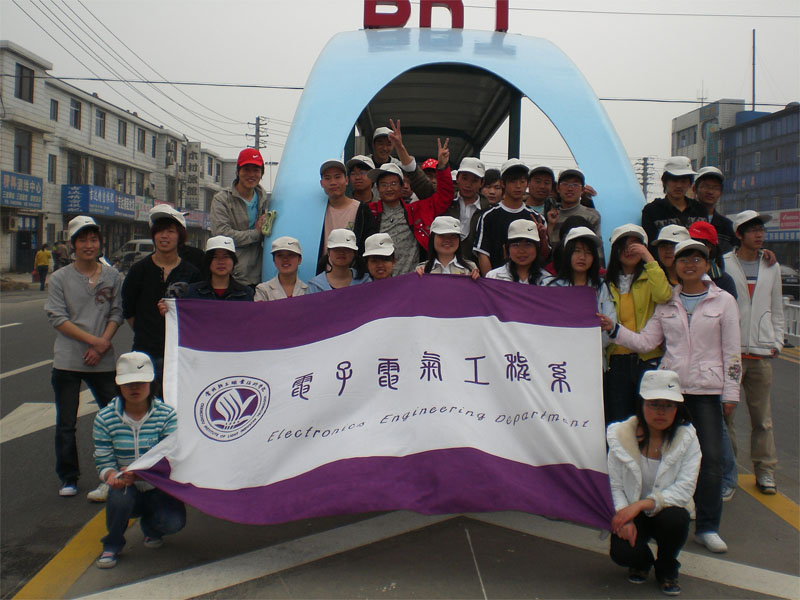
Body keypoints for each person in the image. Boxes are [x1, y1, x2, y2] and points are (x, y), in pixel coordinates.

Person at [600, 238, 742, 555]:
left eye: (697, 259)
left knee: (711, 459)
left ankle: (707, 526)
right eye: (683, 259)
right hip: (671, 392)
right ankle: (659, 516)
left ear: (707, 264)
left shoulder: (724, 301)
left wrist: (731, 393)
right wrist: (614, 329)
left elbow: (732, 351)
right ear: (674, 265)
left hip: (707, 391)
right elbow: (646, 342)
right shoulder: (667, 302)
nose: (690, 265)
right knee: (663, 455)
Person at [45, 216, 123, 501]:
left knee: (115, 418)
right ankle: (69, 477)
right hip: (67, 361)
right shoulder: (60, 278)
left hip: (102, 362)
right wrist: (95, 342)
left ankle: (116, 471)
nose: (89, 245)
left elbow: (117, 312)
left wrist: (102, 346)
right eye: (82, 240)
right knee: (66, 423)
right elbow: (57, 317)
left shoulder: (113, 277)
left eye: (93, 239)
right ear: (72, 244)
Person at [607, 370, 700, 597]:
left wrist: (641, 505)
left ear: (677, 408)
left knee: (676, 519)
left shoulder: (687, 438)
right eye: (654, 404)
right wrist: (625, 515)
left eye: (668, 405)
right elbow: (615, 485)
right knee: (621, 553)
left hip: (666, 509)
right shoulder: (621, 435)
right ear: (642, 404)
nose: (661, 412)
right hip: (632, 510)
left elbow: (685, 489)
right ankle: (642, 562)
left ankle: (667, 568)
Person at [93, 352, 186, 569]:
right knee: (120, 498)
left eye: (141, 383)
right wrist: (111, 476)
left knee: (175, 523)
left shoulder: (167, 415)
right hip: (125, 485)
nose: (134, 388)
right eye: (128, 383)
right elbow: (103, 458)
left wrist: (143, 474)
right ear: (119, 385)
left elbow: (171, 456)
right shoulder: (105, 418)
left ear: (151, 383)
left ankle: (152, 528)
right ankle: (112, 543)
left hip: (158, 485)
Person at [723, 210, 784, 496]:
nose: (759, 234)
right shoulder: (724, 263)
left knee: (762, 419)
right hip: (732, 355)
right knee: (727, 418)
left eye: (761, 229)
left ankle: (765, 471)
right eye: (753, 230)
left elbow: (777, 308)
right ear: (739, 234)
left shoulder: (771, 266)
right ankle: (729, 473)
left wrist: (777, 341)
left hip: (760, 354)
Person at [122, 205, 201, 397]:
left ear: (180, 236)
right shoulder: (139, 270)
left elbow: (197, 313)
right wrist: (147, 331)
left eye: (170, 231)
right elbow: (129, 311)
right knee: (145, 405)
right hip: (145, 353)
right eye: (159, 231)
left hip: (180, 354)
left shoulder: (192, 273)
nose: (164, 236)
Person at [603, 225, 672, 425]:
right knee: (619, 423)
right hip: (617, 361)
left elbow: (663, 295)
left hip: (647, 361)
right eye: (623, 245)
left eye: (635, 245)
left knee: (648, 422)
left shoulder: (651, 277)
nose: (629, 250)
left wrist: (648, 258)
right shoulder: (606, 283)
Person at [367, 137, 453, 275]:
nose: (389, 188)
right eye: (384, 184)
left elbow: (444, 197)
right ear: (377, 188)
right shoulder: (367, 211)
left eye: (393, 183)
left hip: (411, 280)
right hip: (379, 281)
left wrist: (442, 167)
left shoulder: (416, 210)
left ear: (402, 187)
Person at [474, 159, 548, 275]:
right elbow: (483, 253)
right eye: (513, 181)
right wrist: (491, 282)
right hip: (498, 280)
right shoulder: (488, 216)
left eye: (522, 181)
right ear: (503, 183)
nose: (518, 186)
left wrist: (543, 237)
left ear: (527, 183)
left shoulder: (537, 218)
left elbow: (544, 256)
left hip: (529, 281)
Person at [210, 148, 270, 286]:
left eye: (256, 170)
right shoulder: (222, 199)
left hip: (259, 275)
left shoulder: (265, 200)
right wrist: (256, 233)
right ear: (237, 171)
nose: (251, 175)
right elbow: (222, 235)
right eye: (246, 169)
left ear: (261, 173)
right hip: (231, 276)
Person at [545, 227, 615, 342]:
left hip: (593, 350)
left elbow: (610, 324)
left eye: (588, 252)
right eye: (577, 251)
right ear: (567, 254)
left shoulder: (600, 286)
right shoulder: (550, 285)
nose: (582, 257)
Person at [316, 158, 378, 273]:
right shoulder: (318, 211)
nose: (333, 182)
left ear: (346, 180)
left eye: (337, 177)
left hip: (354, 277)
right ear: (321, 183)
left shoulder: (361, 210)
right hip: (324, 277)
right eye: (327, 178)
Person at [641, 156, 705, 244]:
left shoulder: (700, 210)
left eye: (683, 181)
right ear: (665, 181)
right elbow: (650, 243)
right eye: (674, 180)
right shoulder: (652, 211)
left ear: (689, 183)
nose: (679, 185)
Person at [546, 168, 602, 261]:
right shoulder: (551, 215)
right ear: (558, 188)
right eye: (565, 184)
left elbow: (597, 250)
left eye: (575, 185)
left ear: (582, 190)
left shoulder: (592, 215)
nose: (570, 188)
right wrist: (551, 226)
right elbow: (550, 249)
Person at [445, 157, 490, 264]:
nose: (468, 185)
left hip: (475, 268)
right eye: (465, 178)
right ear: (457, 178)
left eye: (474, 180)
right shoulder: (446, 203)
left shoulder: (487, 211)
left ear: (482, 183)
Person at [183, 236, 254, 301]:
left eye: (226, 256)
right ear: (208, 261)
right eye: (215, 257)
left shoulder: (245, 293)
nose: (221, 262)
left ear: (233, 260)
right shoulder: (193, 291)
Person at [485, 220, 549, 284]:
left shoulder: (547, 280)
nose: (521, 251)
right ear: (507, 248)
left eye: (528, 244)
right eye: (516, 245)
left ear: (537, 248)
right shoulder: (493, 277)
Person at [306, 229, 369, 293]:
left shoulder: (366, 282)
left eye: (346, 249)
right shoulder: (315, 286)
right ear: (328, 252)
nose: (341, 253)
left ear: (354, 253)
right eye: (336, 249)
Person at [688, 221, 737, 299]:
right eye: (690, 242)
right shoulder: (678, 274)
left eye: (700, 243)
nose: (693, 247)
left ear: (710, 248)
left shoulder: (724, 281)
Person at [693, 166, 735, 255]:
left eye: (716, 188)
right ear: (695, 189)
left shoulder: (727, 226)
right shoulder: (686, 219)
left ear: (721, 193)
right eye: (706, 187)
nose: (710, 192)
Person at [254, 236, 307, 300]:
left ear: (299, 260)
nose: (285, 259)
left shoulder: (308, 291)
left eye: (290, 255)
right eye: (280, 255)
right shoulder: (263, 290)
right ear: (274, 260)